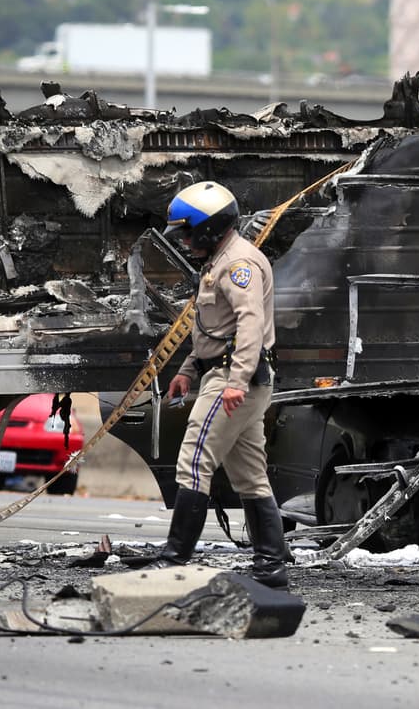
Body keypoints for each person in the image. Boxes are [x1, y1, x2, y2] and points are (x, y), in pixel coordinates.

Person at [152, 180, 288, 588]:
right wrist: (188, 369)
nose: (186, 241)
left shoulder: (237, 264)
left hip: (234, 378)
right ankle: (271, 567)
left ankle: (174, 559)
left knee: (194, 462)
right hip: (231, 374)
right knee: (250, 475)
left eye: (189, 232)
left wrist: (236, 380)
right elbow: (215, 329)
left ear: (212, 227)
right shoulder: (220, 260)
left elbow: (250, 325)